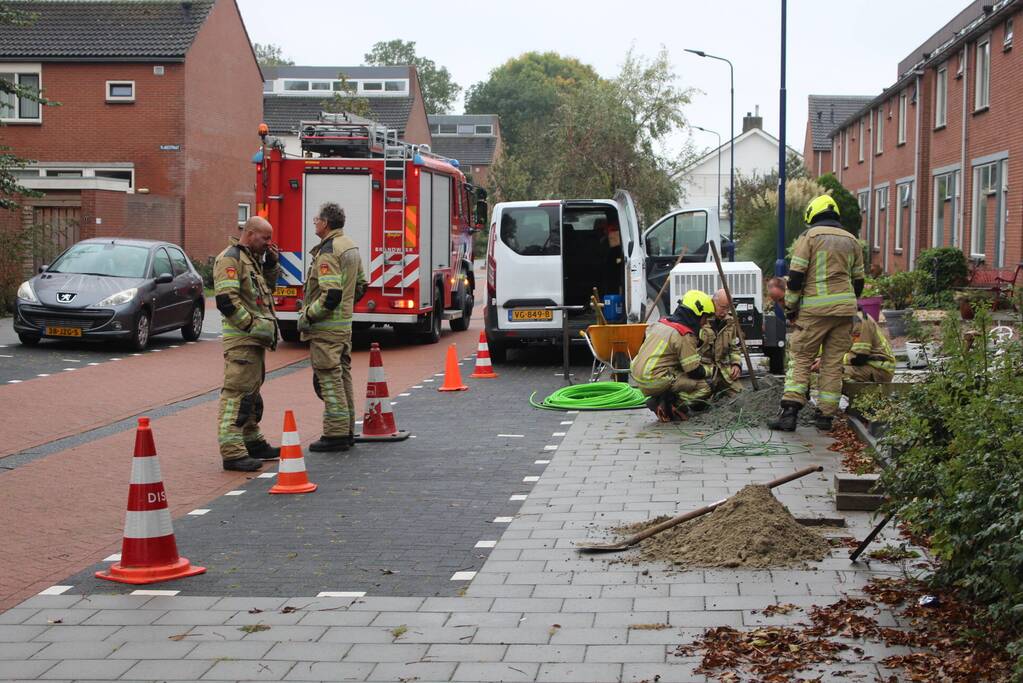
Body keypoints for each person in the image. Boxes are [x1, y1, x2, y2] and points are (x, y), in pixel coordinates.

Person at [769, 195, 864, 432]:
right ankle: (825, 417)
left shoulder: (809, 237)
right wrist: (848, 304)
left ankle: (789, 413)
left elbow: (797, 276)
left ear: (812, 214)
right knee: (832, 364)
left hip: (814, 312)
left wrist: (790, 307)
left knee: (801, 358)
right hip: (844, 312)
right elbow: (859, 281)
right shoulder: (852, 240)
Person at [213, 216, 281, 471]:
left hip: (254, 341)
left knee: (251, 394)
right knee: (237, 395)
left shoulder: (251, 260)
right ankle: (232, 452)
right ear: (250, 234)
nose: (269, 243)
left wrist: (271, 265)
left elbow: (265, 293)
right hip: (242, 340)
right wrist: (252, 326)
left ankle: (253, 443)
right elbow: (226, 301)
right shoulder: (230, 259)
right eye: (265, 238)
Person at [299, 202, 367, 452]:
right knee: (342, 377)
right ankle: (347, 428)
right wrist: (345, 310)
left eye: (317, 219)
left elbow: (331, 295)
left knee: (329, 379)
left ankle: (335, 434)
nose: (314, 222)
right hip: (343, 327)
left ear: (326, 223)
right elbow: (361, 285)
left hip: (326, 329)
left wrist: (308, 315)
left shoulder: (328, 251)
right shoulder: (350, 245)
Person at [631, 289, 716, 421]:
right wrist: (711, 370)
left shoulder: (660, 323)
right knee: (706, 385)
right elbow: (694, 371)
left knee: (678, 374)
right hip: (655, 380)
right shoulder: (684, 334)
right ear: (696, 314)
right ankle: (671, 405)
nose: (705, 323)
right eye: (705, 317)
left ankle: (659, 398)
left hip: (639, 377)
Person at [700, 288, 743, 397]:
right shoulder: (701, 319)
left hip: (724, 372)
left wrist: (736, 364)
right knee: (697, 402)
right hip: (705, 373)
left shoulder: (730, 322)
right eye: (722, 307)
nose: (725, 312)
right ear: (713, 302)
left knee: (741, 397)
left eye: (728, 308)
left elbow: (735, 348)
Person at [842, 310, 895, 384]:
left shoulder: (858, 321)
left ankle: (857, 392)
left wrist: (830, 360)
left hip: (878, 369)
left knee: (834, 372)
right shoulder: (847, 319)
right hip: (869, 365)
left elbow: (859, 358)